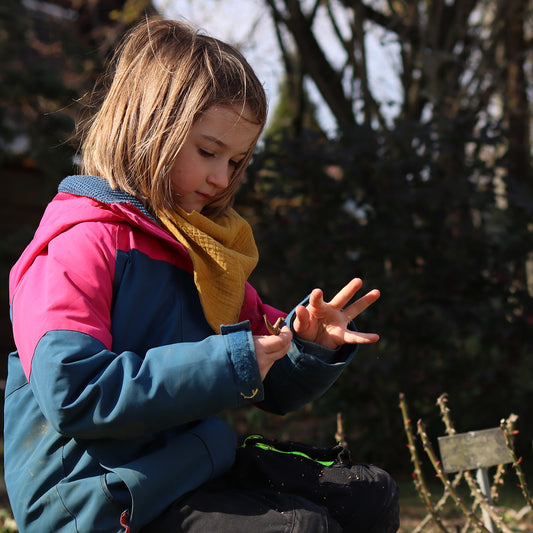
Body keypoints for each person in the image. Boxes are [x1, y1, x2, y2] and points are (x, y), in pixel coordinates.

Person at [4, 18, 399, 533]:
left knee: (369, 497)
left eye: (236, 161)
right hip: (99, 495)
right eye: (208, 152)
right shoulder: (78, 243)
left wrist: (308, 346)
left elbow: (270, 381)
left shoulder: (200, 249)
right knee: (301, 529)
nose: (221, 178)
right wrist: (230, 362)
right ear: (148, 131)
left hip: (188, 463)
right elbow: (75, 394)